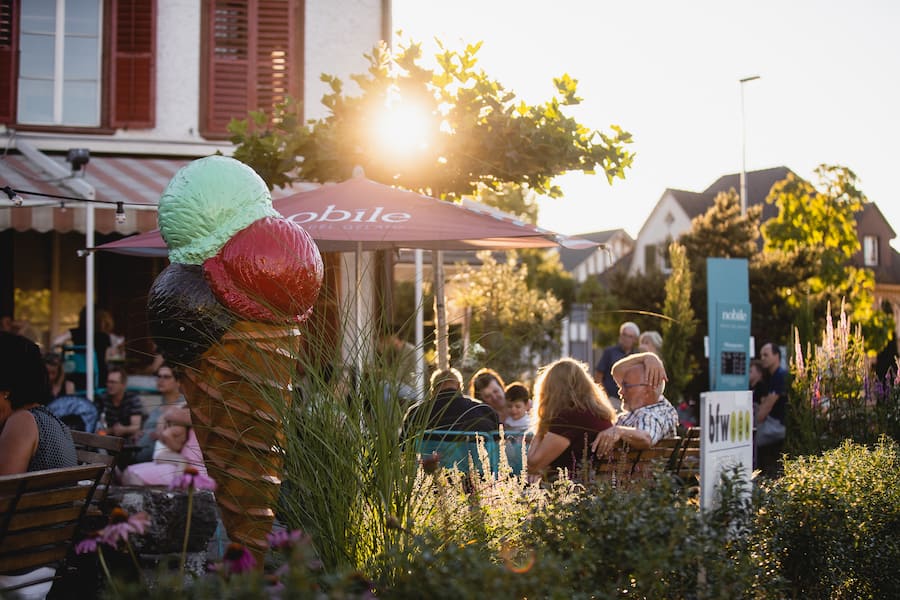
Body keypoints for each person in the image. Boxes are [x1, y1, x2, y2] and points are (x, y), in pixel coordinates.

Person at [0, 331, 77, 598]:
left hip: (17, 561)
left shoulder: (21, 422)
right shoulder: (54, 422)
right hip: (46, 557)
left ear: (5, 390)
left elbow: (2, 498)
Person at [527, 358, 616, 481]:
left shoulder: (568, 417)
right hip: (597, 487)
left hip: (572, 490)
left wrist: (541, 428)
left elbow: (533, 465)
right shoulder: (599, 413)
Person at [591, 352, 679, 455]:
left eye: (626, 386)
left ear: (647, 391)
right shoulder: (659, 407)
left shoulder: (651, 415)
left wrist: (620, 431)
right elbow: (616, 372)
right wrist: (647, 357)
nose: (620, 391)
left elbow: (646, 437)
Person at [119, 404, 207, 486]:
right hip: (181, 461)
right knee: (128, 471)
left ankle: (144, 501)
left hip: (194, 469)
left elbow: (173, 415)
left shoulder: (203, 413)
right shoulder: (188, 415)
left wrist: (164, 417)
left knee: (134, 475)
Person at [408, 368, 499, 432]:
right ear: (459, 386)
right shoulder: (485, 411)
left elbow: (402, 448)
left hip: (430, 459)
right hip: (474, 459)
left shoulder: (415, 414)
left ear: (433, 390)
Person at [132, 364, 187, 464]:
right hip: (141, 458)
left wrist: (160, 436)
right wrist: (140, 434)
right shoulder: (157, 409)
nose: (161, 380)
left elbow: (182, 439)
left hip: (167, 463)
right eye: (159, 376)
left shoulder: (182, 407)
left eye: (166, 377)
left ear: (178, 382)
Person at [756, 342, 788, 477]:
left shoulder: (780, 376)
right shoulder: (772, 376)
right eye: (761, 355)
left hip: (778, 426)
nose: (763, 358)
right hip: (774, 424)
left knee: (751, 441)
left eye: (766, 355)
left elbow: (766, 408)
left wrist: (755, 422)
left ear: (776, 356)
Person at [594, 322, 640, 410]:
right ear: (620, 336)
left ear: (635, 339)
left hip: (631, 402)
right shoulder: (609, 352)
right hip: (611, 400)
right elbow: (598, 376)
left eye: (630, 336)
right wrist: (604, 397)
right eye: (624, 335)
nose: (626, 338)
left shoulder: (637, 356)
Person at [96, 366, 143, 440]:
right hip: (106, 440)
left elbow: (136, 427)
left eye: (113, 382)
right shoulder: (102, 399)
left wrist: (124, 430)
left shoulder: (132, 399)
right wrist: (111, 431)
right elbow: (98, 429)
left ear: (123, 384)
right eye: (108, 382)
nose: (109, 385)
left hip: (129, 440)